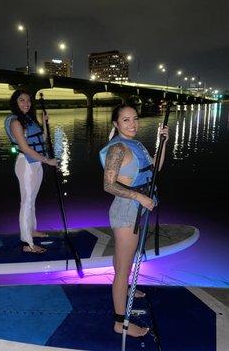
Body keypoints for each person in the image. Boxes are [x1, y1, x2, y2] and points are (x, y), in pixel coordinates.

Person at [99, 104, 169, 337]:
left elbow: (155, 167)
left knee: (122, 261)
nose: (133, 124)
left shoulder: (136, 144)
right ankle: (121, 323)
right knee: (123, 268)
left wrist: (163, 142)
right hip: (127, 212)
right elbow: (108, 185)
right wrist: (140, 196)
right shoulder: (118, 148)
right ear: (116, 124)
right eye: (126, 120)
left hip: (138, 209)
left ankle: (127, 290)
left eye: (135, 119)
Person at [5, 90, 57, 253]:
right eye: (22, 100)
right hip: (26, 164)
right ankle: (27, 243)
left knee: (32, 200)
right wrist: (47, 160)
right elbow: (25, 147)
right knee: (26, 202)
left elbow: (42, 138)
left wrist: (44, 121)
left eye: (28, 100)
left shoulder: (28, 119)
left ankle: (32, 230)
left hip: (36, 163)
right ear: (15, 102)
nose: (26, 103)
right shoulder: (15, 122)